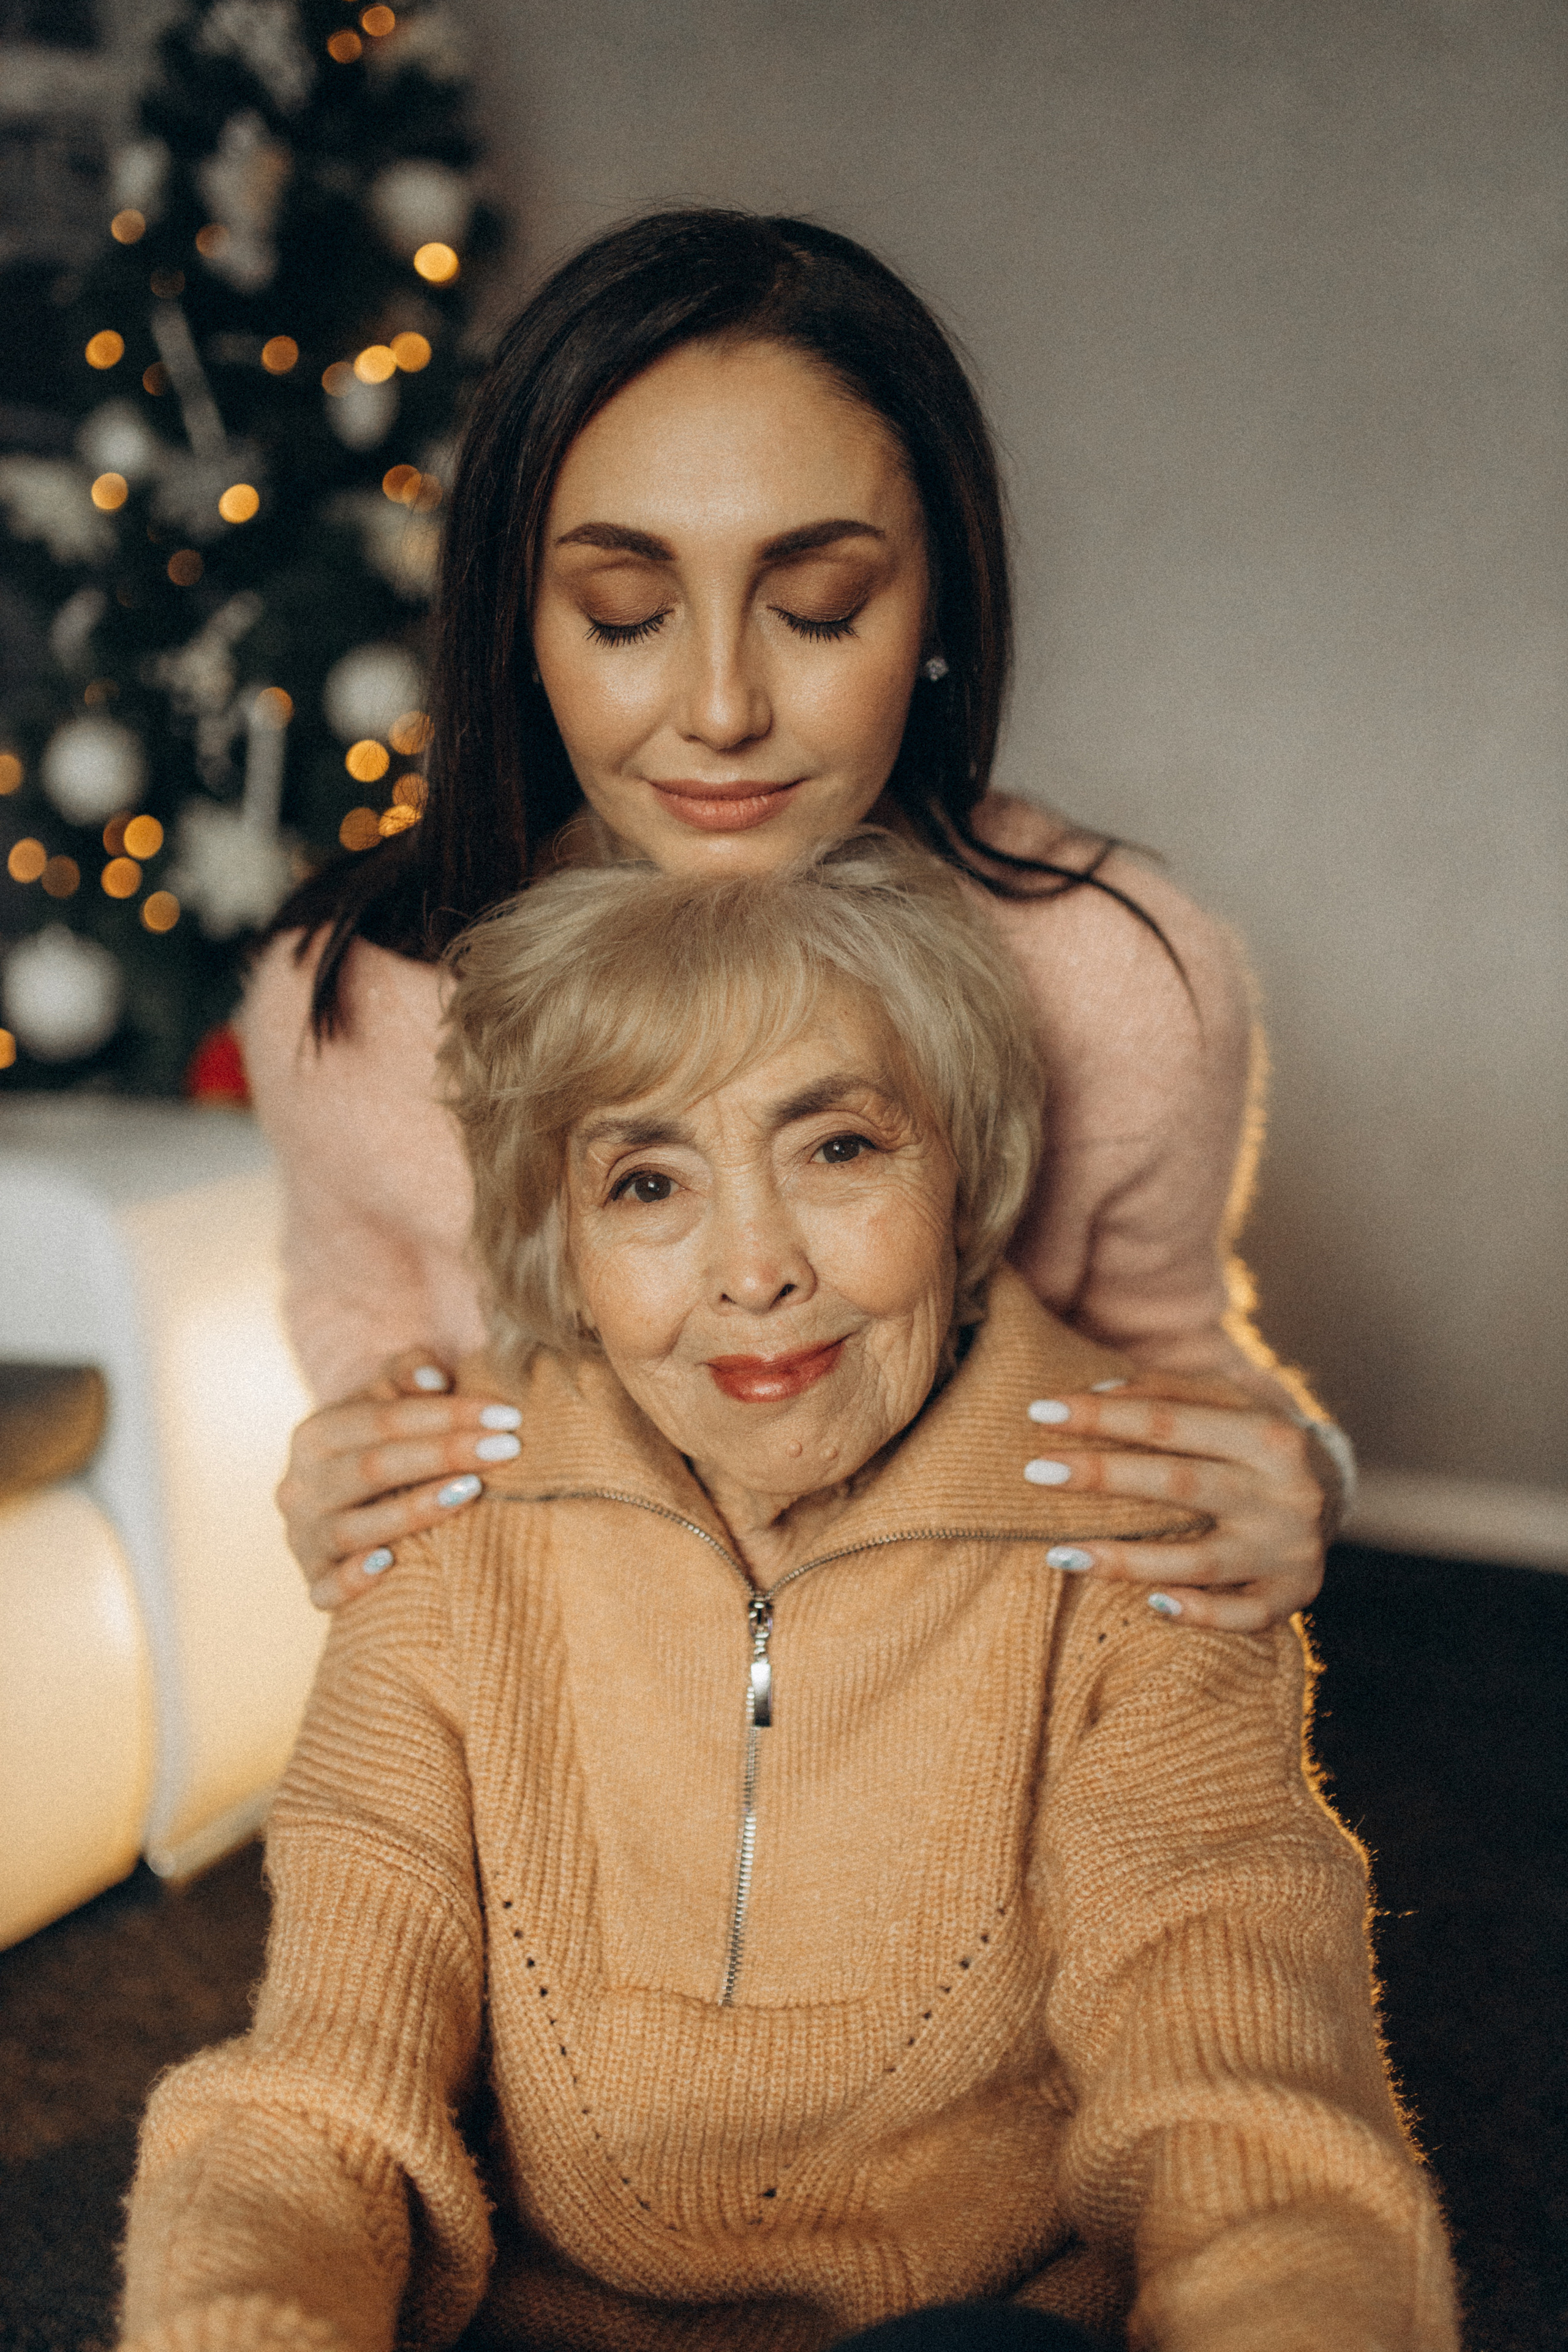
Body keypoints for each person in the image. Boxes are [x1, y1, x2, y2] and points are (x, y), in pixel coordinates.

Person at [121, 842, 1457, 2352]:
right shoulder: (446, 1515)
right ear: (559, 1242)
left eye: (835, 1150)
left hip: (969, 2321)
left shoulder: (1147, 1534)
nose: (753, 1267)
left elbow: (1247, 2106)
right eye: (646, 1179)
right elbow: (315, 2095)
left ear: (962, 1174)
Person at [244, 208, 1344, 1626]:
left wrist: (1300, 1477)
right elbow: (366, 1355)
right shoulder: (357, 998)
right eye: (624, 609)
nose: (719, 711)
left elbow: (1167, 1366)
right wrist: (342, 1467)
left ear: (935, 602)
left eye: (818, 606)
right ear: (518, 623)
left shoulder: (1118, 977)